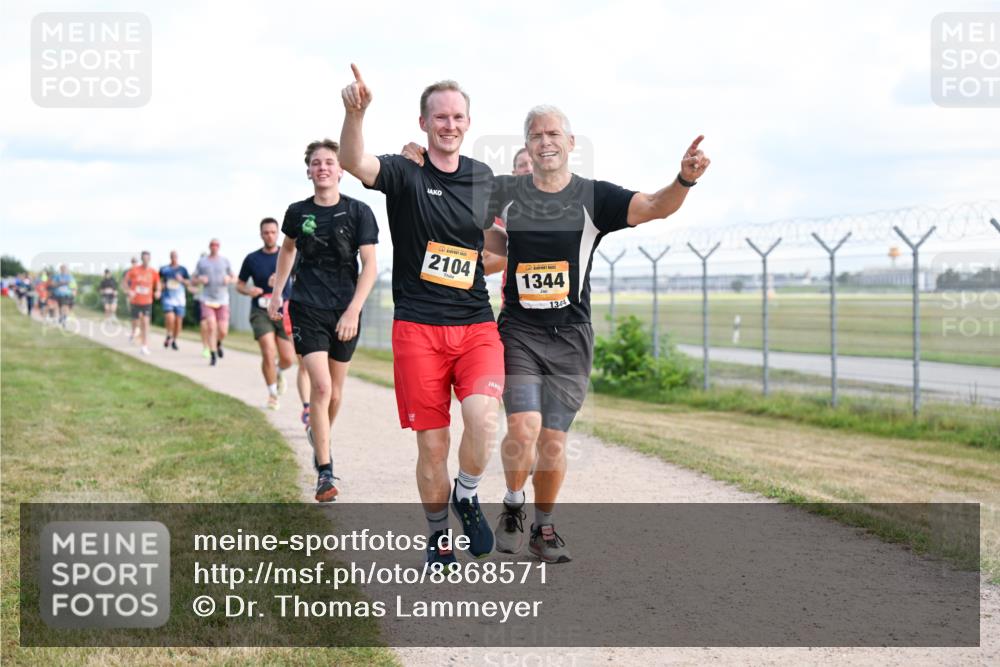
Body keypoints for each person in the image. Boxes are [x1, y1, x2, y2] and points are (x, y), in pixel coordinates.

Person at [485, 106, 710, 562]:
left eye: (553, 133)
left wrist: (683, 180)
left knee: (552, 439)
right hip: (519, 332)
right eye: (535, 135)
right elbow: (480, 239)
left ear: (570, 143)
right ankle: (512, 506)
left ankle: (543, 526)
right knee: (523, 426)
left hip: (571, 337)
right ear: (526, 146)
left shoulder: (593, 197)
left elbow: (653, 207)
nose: (545, 141)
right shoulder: (505, 195)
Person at [340, 65, 503, 567]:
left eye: (457, 117)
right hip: (418, 329)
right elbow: (354, 160)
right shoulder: (405, 171)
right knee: (432, 448)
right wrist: (355, 113)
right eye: (440, 117)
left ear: (468, 122)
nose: (448, 124)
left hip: (476, 324)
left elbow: (495, 249)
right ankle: (437, 535)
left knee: (483, 419)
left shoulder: (484, 178)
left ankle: (468, 493)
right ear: (423, 122)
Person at [268, 138, 378, 501]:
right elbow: (287, 250)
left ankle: (321, 436)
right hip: (306, 306)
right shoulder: (297, 212)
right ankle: (325, 471)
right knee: (321, 387)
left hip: (345, 310)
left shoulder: (360, 211)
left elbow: (370, 267)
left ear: (341, 170)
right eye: (316, 163)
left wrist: (353, 310)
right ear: (308, 171)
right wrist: (277, 293)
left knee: (336, 391)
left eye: (330, 162)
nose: (323, 168)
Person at [239, 218, 296, 410]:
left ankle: (278, 372)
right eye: (266, 232)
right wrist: (249, 290)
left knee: (289, 358)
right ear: (261, 234)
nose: (269, 235)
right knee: (268, 351)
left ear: (278, 233)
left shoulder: (288, 253)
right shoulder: (252, 259)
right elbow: (239, 284)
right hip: (261, 310)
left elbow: (302, 278)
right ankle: (272, 395)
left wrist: (281, 280)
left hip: (284, 310)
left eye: (273, 232)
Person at [194, 240, 234, 366]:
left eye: (216, 245)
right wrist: (199, 279)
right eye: (212, 245)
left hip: (222, 300)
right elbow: (193, 279)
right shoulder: (202, 262)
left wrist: (229, 278)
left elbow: (235, 277)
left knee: (223, 330)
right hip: (207, 299)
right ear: (209, 247)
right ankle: (213, 354)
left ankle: (217, 343)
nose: (214, 247)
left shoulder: (225, 261)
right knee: (211, 325)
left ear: (219, 247)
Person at [123, 251, 162, 355]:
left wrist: (158, 291)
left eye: (147, 259)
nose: (145, 260)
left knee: (145, 322)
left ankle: (144, 346)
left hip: (147, 301)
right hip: (135, 300)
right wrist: (128, 291)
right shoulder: (134, 270)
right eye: (144, 258)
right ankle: (133, 333)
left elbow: (158, 284)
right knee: (135, 321)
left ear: (149, 259)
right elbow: (124, 283)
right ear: (141, 259)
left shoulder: (153, 272)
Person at [159, 251, 191, 350]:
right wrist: (161, 287)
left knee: (178, 322)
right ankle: (169, 334)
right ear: (170, 257)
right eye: (172, 256)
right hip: (168, 297)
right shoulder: (164, 269)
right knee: (170, 318)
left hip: (180, 299)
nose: (174, 258)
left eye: (175, 256)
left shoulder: (183, 270)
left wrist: (181, 280)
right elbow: (158, 281)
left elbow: (188, 283)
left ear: (178, 257)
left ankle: (174, 340)